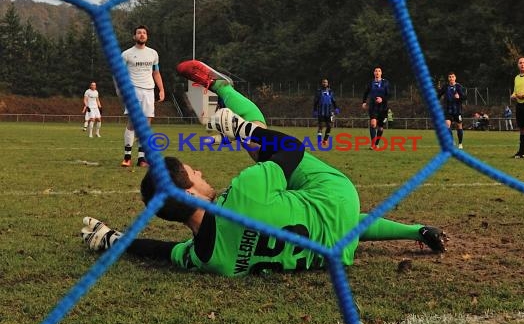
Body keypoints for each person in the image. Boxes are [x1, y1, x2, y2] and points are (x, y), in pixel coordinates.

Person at [80, 60, 448, 277]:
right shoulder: (243, 192)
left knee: (295, 189)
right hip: (335, 193)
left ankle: (225, 104)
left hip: (333, 247)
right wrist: (239, 130)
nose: (203, 172)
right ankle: (223, 90)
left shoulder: (207, 259)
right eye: (196, 173)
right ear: (189, 192)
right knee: (260, 143)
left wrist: (113, 241)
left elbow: (159, 250)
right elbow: (290, 148)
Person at [120, 25, 165, 167]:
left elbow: (156, 73)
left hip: (149, 91)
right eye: (139, 32)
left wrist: (161, 89)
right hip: (133, 91)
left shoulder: (153, 54)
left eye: (144, 33)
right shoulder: (126, 54)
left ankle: (141, 158)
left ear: (147, 36)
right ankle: (127, 157)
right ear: (134, 36)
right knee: (133, 124)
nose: (142, 35)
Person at [362, 66, 391, 149]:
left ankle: (376, 143)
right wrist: (364, 102)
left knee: (381, 128)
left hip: (383, 107)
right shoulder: (371, 83)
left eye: (379, 71)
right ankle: (373, 143)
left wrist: (382, 99)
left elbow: (389, 95)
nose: (377, 72)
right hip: (373, 106)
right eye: (376, 71)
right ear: (374, 73)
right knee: (373, 124)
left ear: (381, 73)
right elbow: (366, 93)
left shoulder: (386, 83)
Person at [437, 72, 465, 148]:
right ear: (448, 78)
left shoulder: (459, 87)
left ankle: (460, 143)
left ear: (455, 78)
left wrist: (459, 97)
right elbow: (439, 95)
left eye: (452, 77)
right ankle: (452, 141)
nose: (451, 78)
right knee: (447, 125)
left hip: (457, 110)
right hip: (447, 110)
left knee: (459, 126)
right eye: (450, 77)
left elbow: (464, 97)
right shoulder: (445, 86)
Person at [313, 78, 339, 147]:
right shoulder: (318, 92)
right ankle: (319, 141)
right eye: (324, 82)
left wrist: (336, 108)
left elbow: (334, 101)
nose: (325, 83)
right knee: (321, 126)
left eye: (326, 82)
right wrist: (315, 110)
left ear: (328, 84)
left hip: (329, 112)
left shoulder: (330, 92)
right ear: (322, 83)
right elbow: (315, 102)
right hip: (321, 112)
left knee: (330, 126)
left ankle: (325, 140)